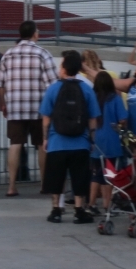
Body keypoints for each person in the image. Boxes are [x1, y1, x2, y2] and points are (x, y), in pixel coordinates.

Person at [0, 20, 58, 197]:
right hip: (39, 108)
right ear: (35, 34)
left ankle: (11, 186)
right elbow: (52, 84)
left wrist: (2, 103)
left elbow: (0, 83)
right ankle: (44, 185)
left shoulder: (8, 54)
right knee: (41, 145)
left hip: (15, 107)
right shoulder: (42, 54)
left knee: (15, 144)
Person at [40, 51, 101, 225]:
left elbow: (46, 117)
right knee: (79, 178)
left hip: (57, 142)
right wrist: (91, 139)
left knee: (56, 178)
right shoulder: (86, 89)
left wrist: (46, 138)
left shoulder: (53, 88)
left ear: (65, 68)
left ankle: (56, 210)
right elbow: (92, 118)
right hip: (80, 143)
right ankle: (79, 211)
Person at [89, 71, 127, 215]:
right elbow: (122, 118)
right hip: (111, 141)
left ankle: (91, 204)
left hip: (95, 140)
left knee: (96, 174)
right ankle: (107, 205)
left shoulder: (92, 98)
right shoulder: (115, 99)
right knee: (110, 175)